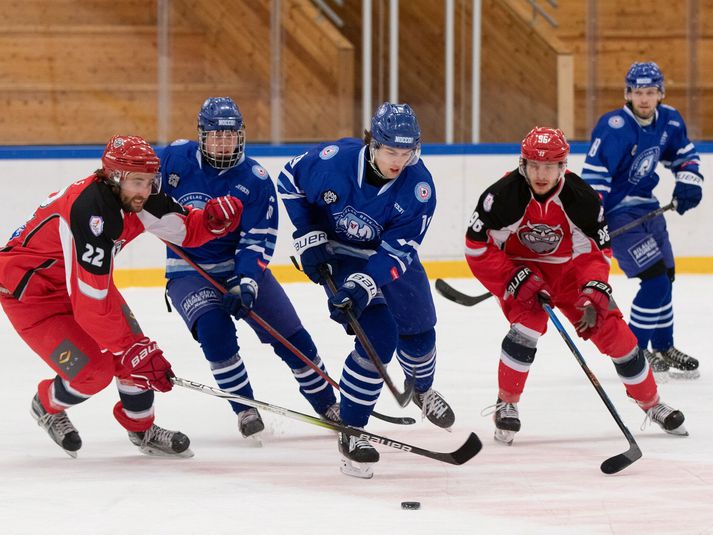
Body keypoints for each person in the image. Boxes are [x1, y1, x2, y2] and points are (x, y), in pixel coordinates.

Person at [0, 135, 242, 458]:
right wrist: (130, 350)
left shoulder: (138, 199)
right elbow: (91, 308)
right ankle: (46, 404)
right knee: (94, 372)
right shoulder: (90, 211)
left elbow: (185, 230)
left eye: (149, 181)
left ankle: (142, 430)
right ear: (114, 177)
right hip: (30, 295)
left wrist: (212, 223)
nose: (145, 190)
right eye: (137, 182)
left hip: (84, 283)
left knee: (134, 349)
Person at [464, 126, 687, 445]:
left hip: (568, 275)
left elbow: (596, 251)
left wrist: (594, 285)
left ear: (562, 166)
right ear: (523, 164)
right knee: (527, 327)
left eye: (550, 166)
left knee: (617, 334)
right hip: (521, 271)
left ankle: (652, 403)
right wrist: (511, 276)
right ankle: (507, 403)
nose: (542, 174)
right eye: (535, 165)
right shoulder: (501, 197)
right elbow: (477, 248)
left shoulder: (581, 198)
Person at [278, 102, 455, 478]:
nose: (399, 161)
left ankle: (421, 389)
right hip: (340, 253)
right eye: (392, 151)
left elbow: (399, 250)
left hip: (387, 257)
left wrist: (363, 284)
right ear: (373, 143)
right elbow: (289, 179)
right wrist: (307, 236)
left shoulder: (419, 188)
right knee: (378, 337)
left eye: (407, 153)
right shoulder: (333, 161)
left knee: (420, 333)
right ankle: (352, 431)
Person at [161, 97, 340, 438]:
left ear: (240, 136)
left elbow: (257, 239)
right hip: (189, 270)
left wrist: (245, 282)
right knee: (215, 334)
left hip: (239, 268)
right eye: (216, 135)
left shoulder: (255, 178)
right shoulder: (174, 158)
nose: (224, 142)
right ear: (202, 135)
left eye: (230, 136)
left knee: (292, 336)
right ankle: (244, 408)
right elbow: (137, 192)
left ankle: (327, 402)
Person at [582, 61, 703, 380]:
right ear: (628, 94)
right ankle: (633, 352)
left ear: (660, 93)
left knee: (667, 277)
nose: (645, 99)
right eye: (638, 92)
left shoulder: (670, 120)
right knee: (655, 280)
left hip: (648, 209)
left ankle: (664, 346)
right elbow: (594, 177)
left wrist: (689, 180)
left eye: (651, 92)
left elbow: (685, 155)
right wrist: (593, 222)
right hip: (618, 213)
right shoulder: (615, 126)